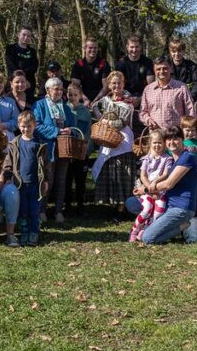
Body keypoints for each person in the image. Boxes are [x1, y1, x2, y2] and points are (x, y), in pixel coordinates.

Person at [137, 127, 197, 245]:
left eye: (175, 139)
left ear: (182, 139)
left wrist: (146, 189)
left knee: (147, 238)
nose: (172, 142)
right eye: (168, 139)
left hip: (181, 208)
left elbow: (169, 184)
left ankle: (184, 225)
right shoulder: (173, 160)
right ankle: (168, 227)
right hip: (168, 205)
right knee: (133, 204)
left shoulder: (188, 157)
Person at [91, 71, 137, 210]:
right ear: (109, 85)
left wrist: (106, 122)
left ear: (123, 84)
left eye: (119, 83)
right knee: (110, 170)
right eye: (114, 83)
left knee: (122, 171)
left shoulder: (127, 102)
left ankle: (122, 205)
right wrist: (100, 117)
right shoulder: (104, 101)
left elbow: (122, 121)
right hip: (107, 138)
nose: (117, 85)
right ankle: (110, 202)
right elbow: (95, 108)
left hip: (123, 140)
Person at [34, 77, 76, 223]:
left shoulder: (65, 107)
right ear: (47, 90)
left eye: (60, 89)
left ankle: (58, 211)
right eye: (55, 88)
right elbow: (37, 126)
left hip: (64, 149)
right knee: (47, 180)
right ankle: (41, 211)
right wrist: (56, 131)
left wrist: (69, 130)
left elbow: (73, 126)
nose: (58, 91)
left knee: (61, 181)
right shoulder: (40, 105)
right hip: (48, 149)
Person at [4, 111, 49, 246]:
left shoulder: (39, 144)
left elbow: (45, 165)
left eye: (29, 126)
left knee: (34, 210)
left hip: (35, 183)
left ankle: (34, 232)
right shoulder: (14, 144)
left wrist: (46, 180)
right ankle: (24, 232)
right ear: (19, 125)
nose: (26, 129)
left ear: (34, 126)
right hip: (20, 184)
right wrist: (7, 174)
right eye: (23, 126)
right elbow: (8, 162)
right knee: (22, 210)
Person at [129, 130, 175, 242]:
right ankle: (134, 230)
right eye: (154, 142)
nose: (157, 145)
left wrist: (155, 184)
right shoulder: (146, 159)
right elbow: (143, 176)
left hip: (161, 191)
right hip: (148, 191)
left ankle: (147, 231)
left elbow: (165, 174)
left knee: (158, 213)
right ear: (150, 144)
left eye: (160, 142)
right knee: (147, 209)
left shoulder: (167, 159)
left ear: (164, 144)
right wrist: (150, 189)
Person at [140, 58, 196, 131]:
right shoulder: (148, 89)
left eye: (165, 68)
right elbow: (142, 112)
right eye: (158, 69)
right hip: (156, 136)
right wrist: (148, 120)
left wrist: (189, 129)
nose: (162, 71)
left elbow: (190, 111)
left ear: (171, 69)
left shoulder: (181, 88)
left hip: (176, 135)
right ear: (154, 71)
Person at [65, 79, 93, 217]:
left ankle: (81, 205)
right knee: (67, 179)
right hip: (68, 150)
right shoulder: (64, 109)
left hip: (82, 150)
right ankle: (68, 206)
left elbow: (88, 132)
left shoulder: (85, 112)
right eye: (70, 95)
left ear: (80, 95)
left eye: (75, 95)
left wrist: (87, 148)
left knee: (80, 179)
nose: (73, 98)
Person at [70, 37, 111, 102]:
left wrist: (96, 100)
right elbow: (75, 86)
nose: (93, 50)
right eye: (90, 48)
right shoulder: (78, 65)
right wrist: (85, 99)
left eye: (95, 48)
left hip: (100, 98)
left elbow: (106, 87)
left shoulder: (103, 64)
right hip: (82, 98)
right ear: (85, 49)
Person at [114, 35, 154, 100]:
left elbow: (151, 86)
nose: (134, 50)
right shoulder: (120, 64)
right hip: (124, 96)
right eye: (132, 47)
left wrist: (140, 99)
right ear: (127, 47)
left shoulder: (148, 62)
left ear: (141, 47)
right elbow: (117, 85)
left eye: (137, 47)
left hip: (143, 96)